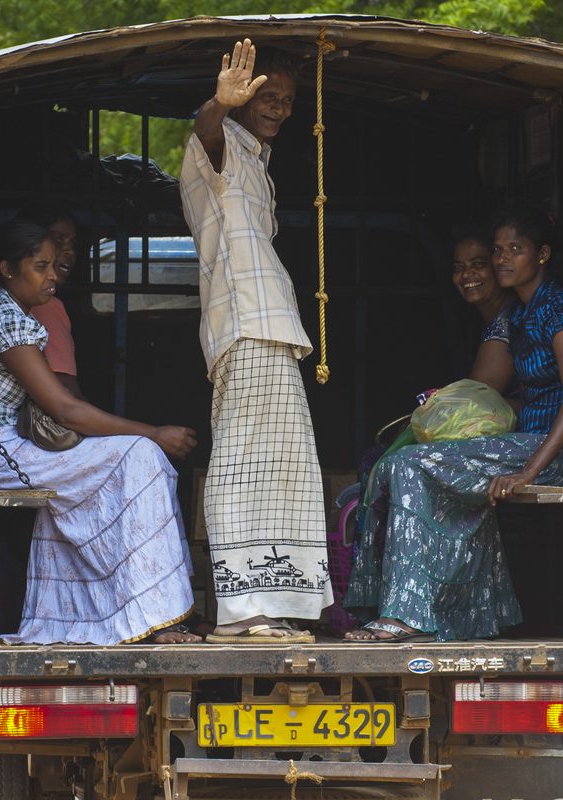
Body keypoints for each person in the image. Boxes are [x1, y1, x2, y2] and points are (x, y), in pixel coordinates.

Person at [343, 210, 563, 642]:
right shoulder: (521, 315)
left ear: (542, 255)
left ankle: (403, 615)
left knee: (410, 464)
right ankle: (460, 614)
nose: (503, 259)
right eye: (499, 250)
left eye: (515, 250)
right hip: (527, 444)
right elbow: (532, 395)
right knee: (392, 466)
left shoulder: (560, 308)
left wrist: (527, 473)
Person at [0, 219, 202, 645]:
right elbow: (66, 409)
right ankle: (159, 616)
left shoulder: (11, 313)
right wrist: (153, 433)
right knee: (139, 456)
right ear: (7, 270)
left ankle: (69, 622)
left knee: (89, 485)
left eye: (54, 266)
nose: (53, 276)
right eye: (40, 266)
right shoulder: (5, 319)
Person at [180, 39, 333, 643]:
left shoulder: (256, 159)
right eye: (267, 97)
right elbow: (203, 134)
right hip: (246, 326)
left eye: (288, 100)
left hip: (269, 329)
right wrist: (218, 105)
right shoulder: (217, 148)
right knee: (244, 466)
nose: (279, 108)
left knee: (282, 469)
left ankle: (269, 606)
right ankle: (242, 613)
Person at [20, 206, 85, 399]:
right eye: (58, 240)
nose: (69, 250)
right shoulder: (45, 305)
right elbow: (67, 393)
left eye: (72, 242)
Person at [451, 228, 516, 393]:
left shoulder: (506, 326)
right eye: (459, 267)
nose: (466, 274)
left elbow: (476, 401)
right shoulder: (484, 319)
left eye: (478, 264)